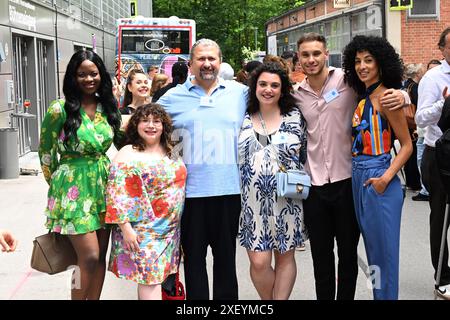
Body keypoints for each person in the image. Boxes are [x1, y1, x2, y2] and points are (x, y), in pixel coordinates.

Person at [293, 33, 409, 300]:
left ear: (326, 54)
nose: (311, 59)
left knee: (356, 255)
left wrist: (403, 95)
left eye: (316, 54)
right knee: (322, 258)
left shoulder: (347, 82)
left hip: (351, 182)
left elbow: (385, 95)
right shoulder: (295, 95)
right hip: (317, 185)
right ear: (298, 59)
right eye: (305, 55)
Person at [157, 38, 248, 300]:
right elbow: (146, 128)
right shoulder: (172, 98)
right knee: (194, 263)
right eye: (201, 59)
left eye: (212, 59)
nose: (207, 64)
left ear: (220, 62)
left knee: (226, 263)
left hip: (229, 191)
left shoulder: (239, 93)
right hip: (189, 194)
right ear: (191, 64)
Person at [38, 50, 123, 300]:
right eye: (82, 74)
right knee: (88, 256)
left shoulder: (108, 106)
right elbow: (45, 152)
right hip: (72, 191)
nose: (89, 79)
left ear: (101, 75)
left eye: (93, 73)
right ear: (73, 77)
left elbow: (122, 142)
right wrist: (57, 186)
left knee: (100, 258)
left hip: (102, 186)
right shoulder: (59, 109)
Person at [342, 35, 413, 300]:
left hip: (379, 177)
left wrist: (385, 178)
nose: (362, 66)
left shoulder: (387, 98)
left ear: (381, 64)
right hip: (358, 177)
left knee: (385, 255)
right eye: (358, 61)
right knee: (373, 253)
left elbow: (407, 146)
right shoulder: (362, 98)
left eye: (368, 61)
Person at [238, 62, 308, 300]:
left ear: (283, 89)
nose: (268, 89)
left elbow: (308, 152)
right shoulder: (242, 117)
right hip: (251, 203)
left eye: (275, 85)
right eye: (263, 84)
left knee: (285, 257)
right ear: (254, 86)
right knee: (259, 262)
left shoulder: (296, 116)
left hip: (287, 200)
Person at [105, 104, 187, 300]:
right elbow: (115, 194)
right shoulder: (128, 152)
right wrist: (126, 229)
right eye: (145, 121)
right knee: (150, 280)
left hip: (170, 230)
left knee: (158, 278)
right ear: (136, 125)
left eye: (156, 121)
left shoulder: (172, 150)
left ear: (164, 126)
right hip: (142, 230)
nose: (151, 125)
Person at [415, 27, 450, 300]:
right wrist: (444, 104)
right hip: (439, 157)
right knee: (440, 217)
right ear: (442, 49)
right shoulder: (433, 77)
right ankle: (442, 278)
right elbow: (420, 118)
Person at [413, 59, 442, 202]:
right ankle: (425, 189)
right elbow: (420, 117)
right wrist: (443, 104)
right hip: (429, 140)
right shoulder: (428, 82)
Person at [402, 63, 425, 192]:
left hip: (406, 122)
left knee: (409, 151)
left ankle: (410, 181)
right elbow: (418, 104)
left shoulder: (406, 85)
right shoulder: (415, 87)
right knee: (414, 152)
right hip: (413, 122)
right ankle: (415, 182)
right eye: (422, 71)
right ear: (417, 74)